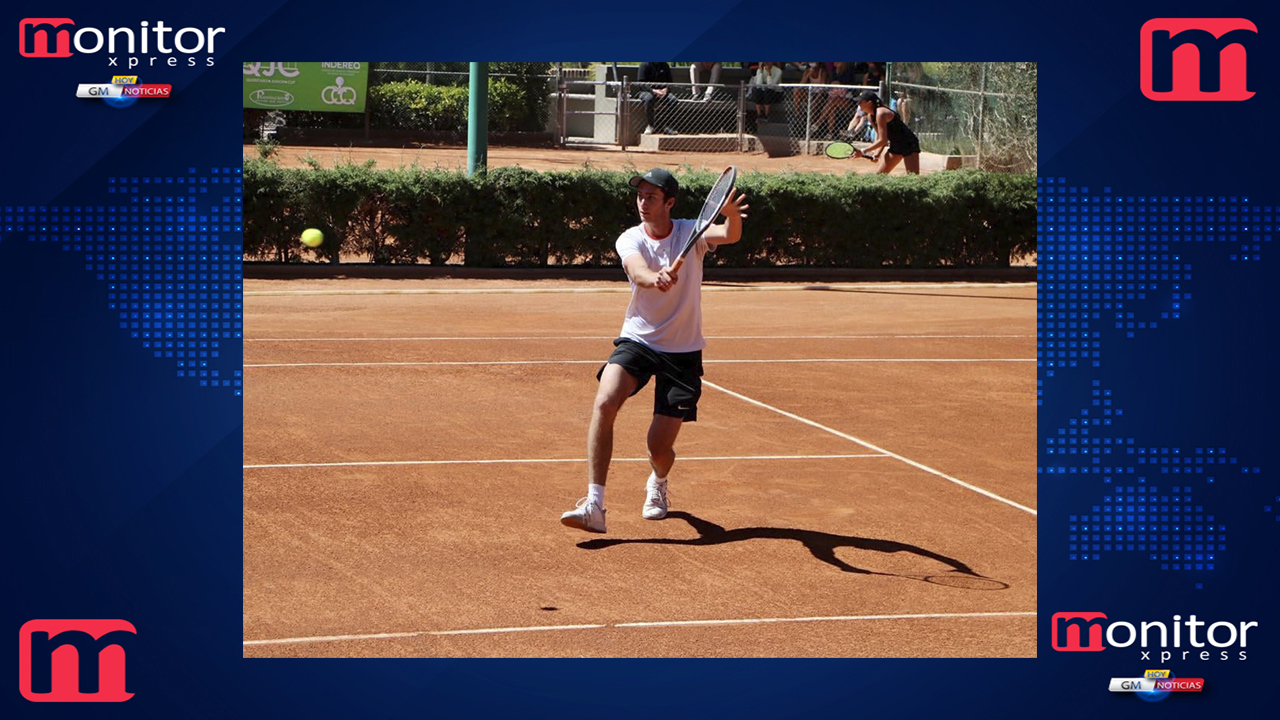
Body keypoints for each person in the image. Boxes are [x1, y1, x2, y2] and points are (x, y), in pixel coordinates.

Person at [560, 168, 750, 533]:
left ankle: (658, 482)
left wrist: (731, 216)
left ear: (670, 203)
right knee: (604, 401)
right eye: (640, 196)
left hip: (682, 353)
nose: (643, 203)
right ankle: (595, 504)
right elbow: (637, 271)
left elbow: (728, 235)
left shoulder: (690, 233)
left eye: (651, 197)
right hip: (639, 340)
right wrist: (654, 278)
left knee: (657, 448)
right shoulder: (630, 238)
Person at [851, 90, 921, 174]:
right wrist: (877, 154)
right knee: (880, 176)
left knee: (913, 178)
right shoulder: (870, 116)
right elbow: (883, 139)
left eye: (860, 102)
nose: (858, 104)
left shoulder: (881, 113)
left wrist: (863, 151)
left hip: (909, 144)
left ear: (869, 103)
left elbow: (883, 140)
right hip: (896, 145)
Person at [636, 62, 675, 134]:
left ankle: (667, 126)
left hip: (662, 92)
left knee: (673, 100)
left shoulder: (664, 65)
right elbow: (641, 84)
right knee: (649, 99)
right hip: (647, 91)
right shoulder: (644, 65)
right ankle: (650, 125)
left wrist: (666, 90)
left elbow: (670, 82)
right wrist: (654, 91)